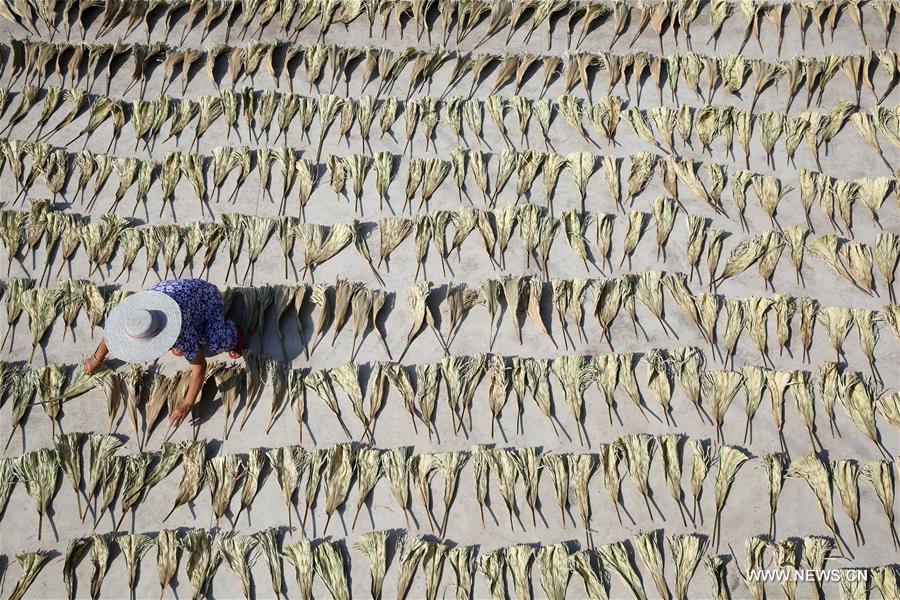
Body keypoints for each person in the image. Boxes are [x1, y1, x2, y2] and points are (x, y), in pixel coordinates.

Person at [84, 279, 244, 426]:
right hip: (177, 294)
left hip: (207, 298)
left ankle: (235, 333)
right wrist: (96, 359)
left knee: (216, 342)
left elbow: (200, 366)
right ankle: (194, 333)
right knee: (187, 342)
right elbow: (111, 335)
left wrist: (187, 403)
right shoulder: (134, 317)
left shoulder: (180, 331)